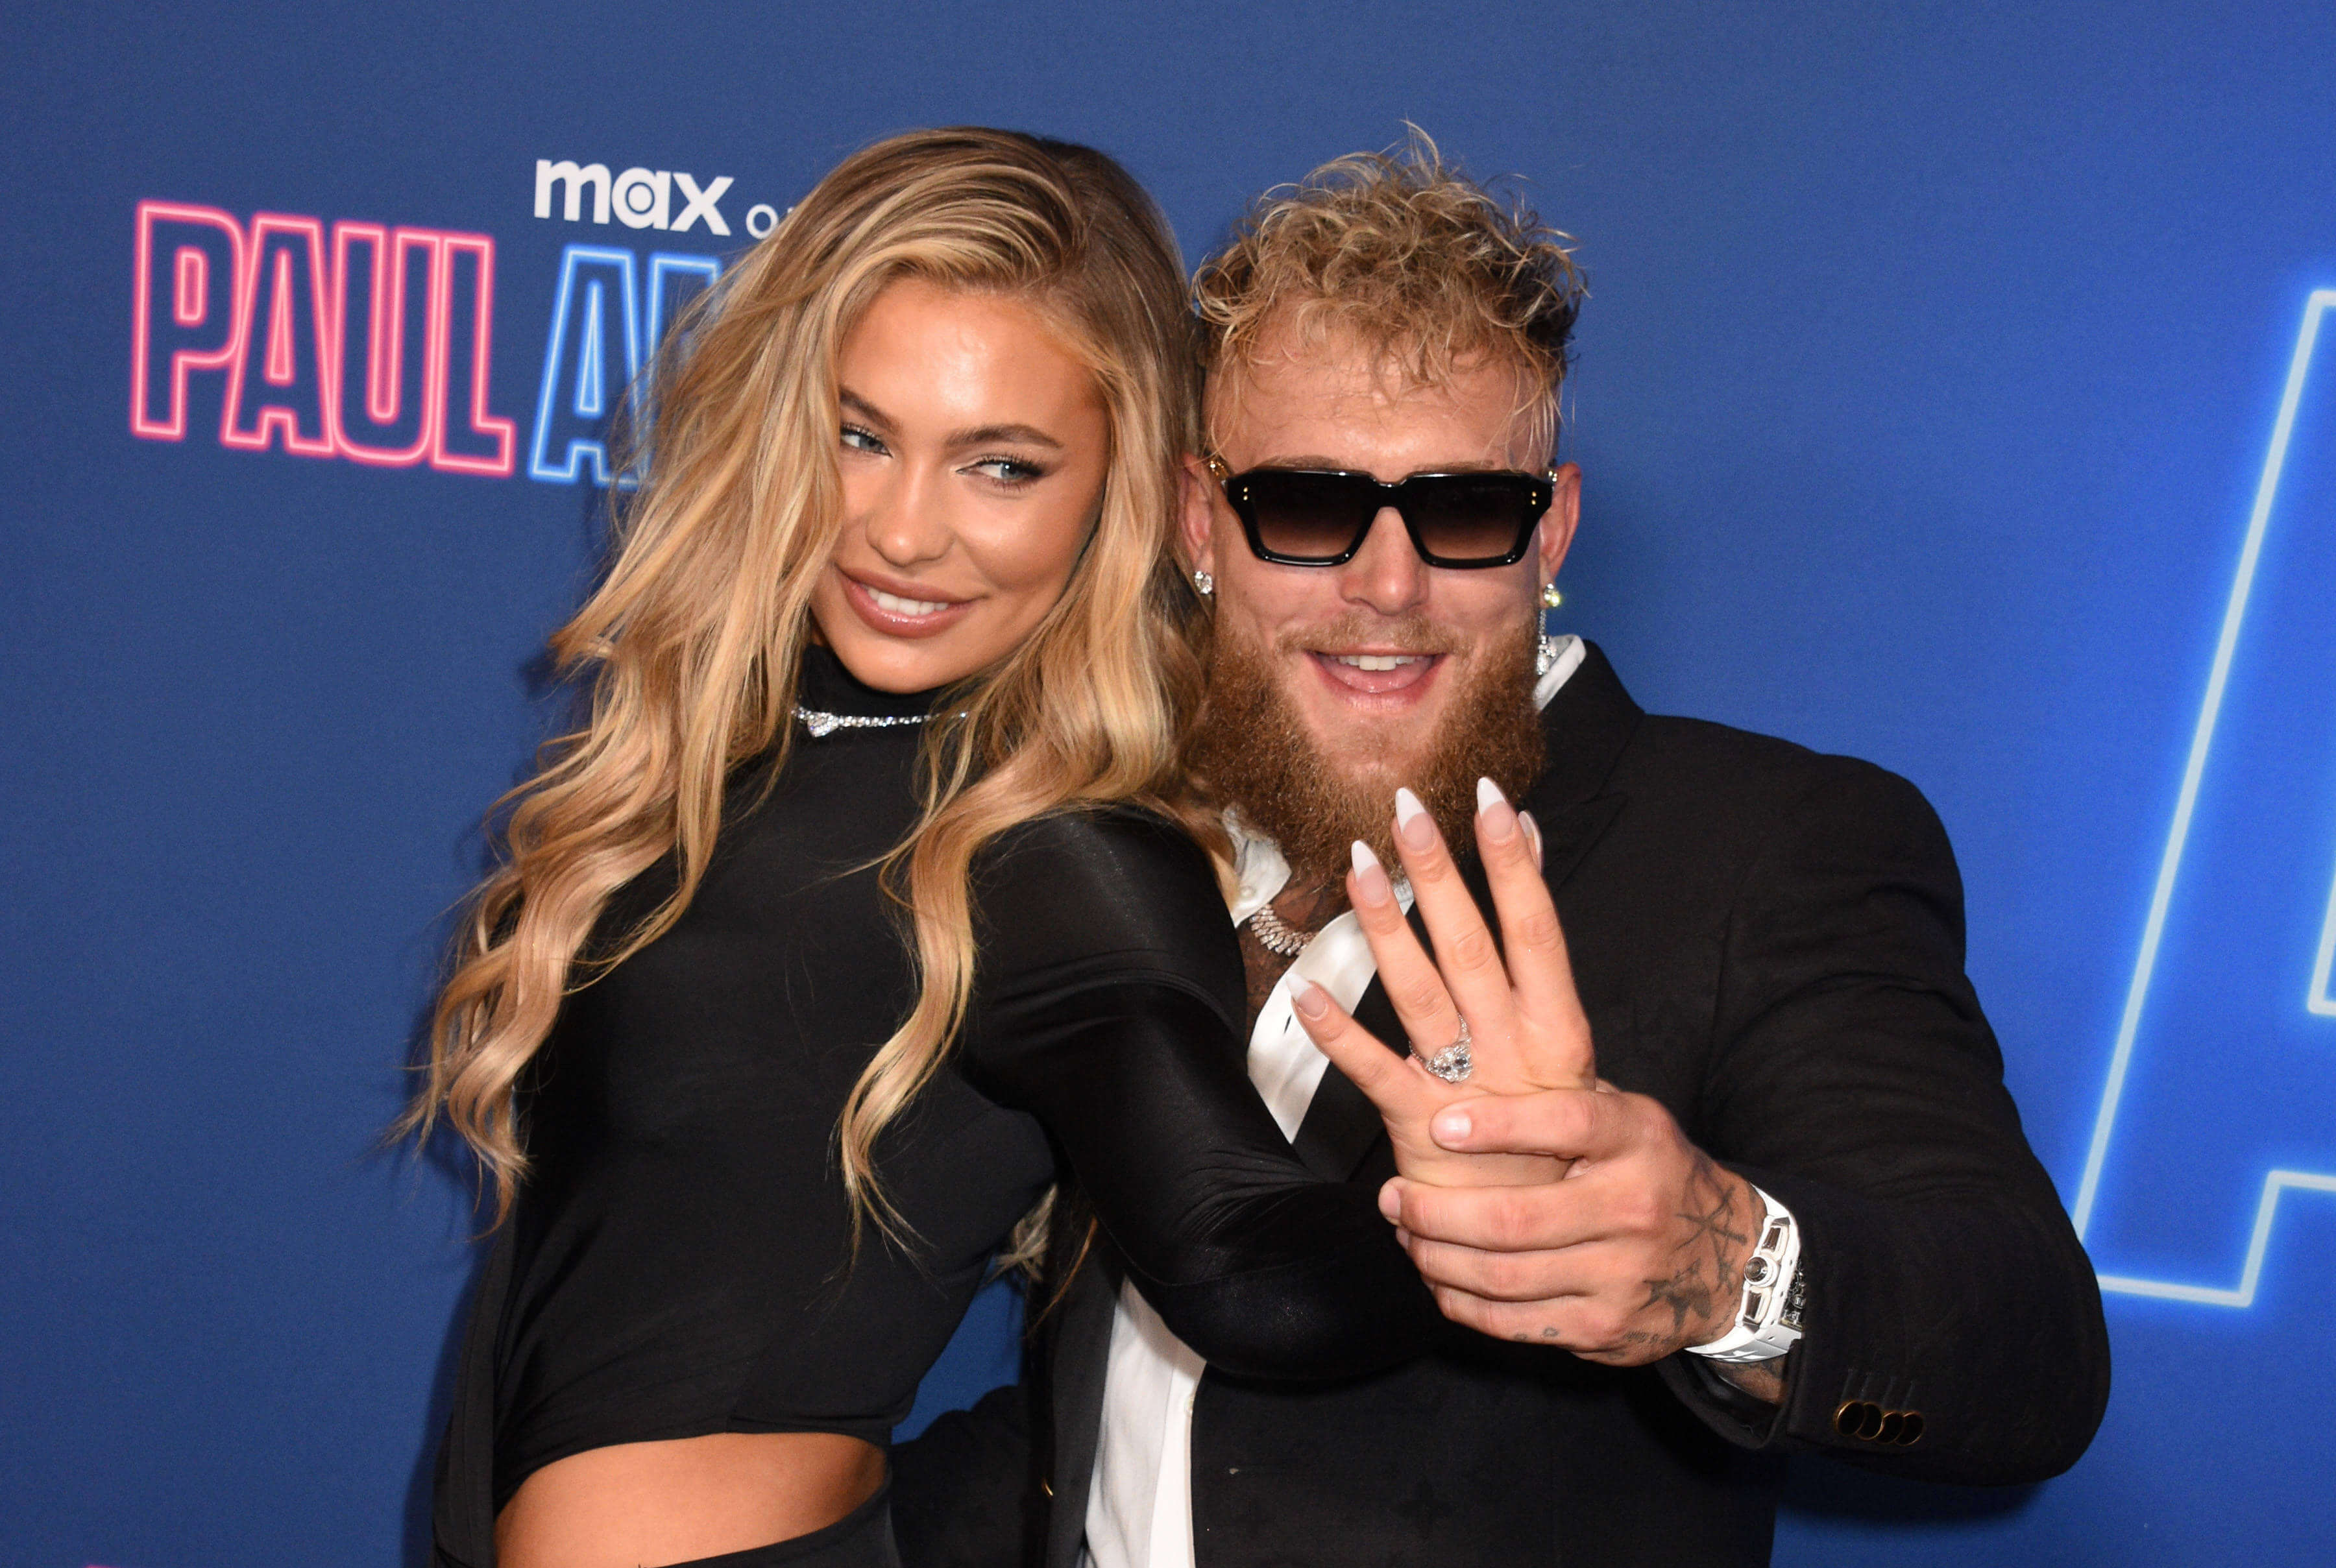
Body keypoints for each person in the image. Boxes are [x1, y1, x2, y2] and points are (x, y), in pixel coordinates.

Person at [894, 137, 2110, 1567]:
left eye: (1465, 509)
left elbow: (2028, 1350)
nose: (1387, 584)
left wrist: (1714, 1259)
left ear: (1554, 532)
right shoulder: (1124, 834)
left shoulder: (1761, 845)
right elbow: (1126, 1422)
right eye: (1309, 505)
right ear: (1198, 522)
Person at [408, 128, 1468, 1568]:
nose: (904, 532)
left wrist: (1484, 1218)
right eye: (861, 436)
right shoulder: (758, 744)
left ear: (1130, 497)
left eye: (1002, 466)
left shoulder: (1061, 854)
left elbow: (1242, 1262)